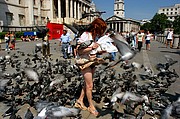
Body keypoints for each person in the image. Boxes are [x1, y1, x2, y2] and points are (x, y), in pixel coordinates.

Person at [74, 18, 107, 117]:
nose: (101, 32)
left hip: (93, 61)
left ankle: (79, 101)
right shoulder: (85, 35)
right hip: (85, 62)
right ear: (96, 27)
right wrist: (91, 48)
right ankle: (91, 106)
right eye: (101, 29)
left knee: (87, 84)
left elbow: (93, 50)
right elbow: (79, 51)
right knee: (90, 86)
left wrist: (100, 50)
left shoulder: (95, 36)